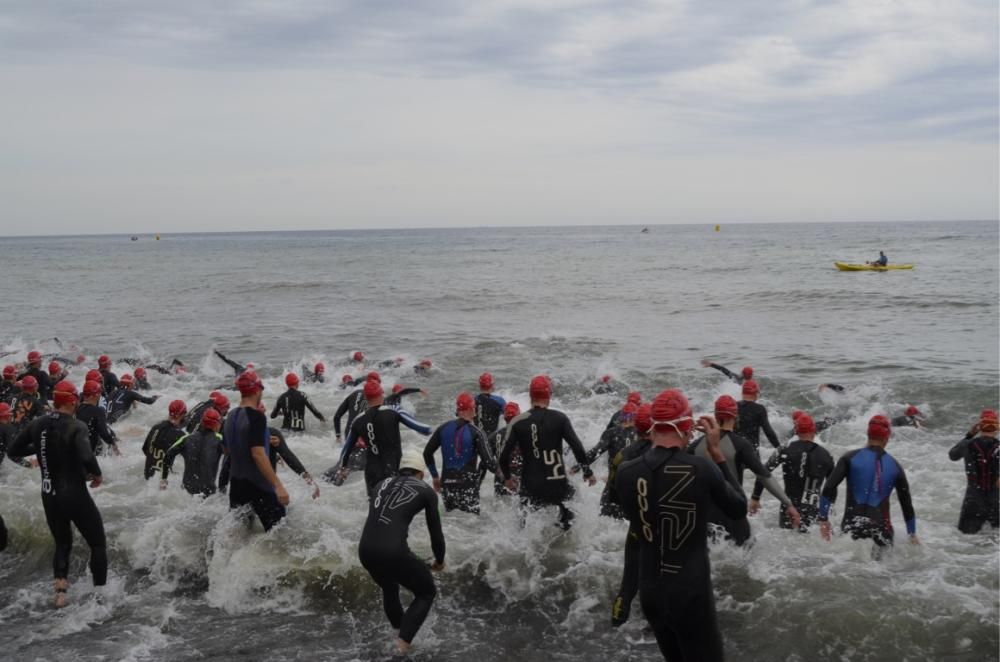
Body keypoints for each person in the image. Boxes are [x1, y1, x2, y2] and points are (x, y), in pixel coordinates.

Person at [616, 389, 747, 661]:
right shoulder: (702, 468)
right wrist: (716, 454)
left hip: (650, 592)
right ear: (688, 426)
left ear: (652, 426)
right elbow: (739, 508)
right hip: (690, 592)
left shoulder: (627, 472)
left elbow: (635, 533)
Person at [7, 381, 106, 608]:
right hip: (74, 494)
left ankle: (60, 593)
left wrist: (42, 449)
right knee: (98, 544)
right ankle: (100, 595)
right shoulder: (76, 426)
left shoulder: (38, 424)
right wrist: (97, 474)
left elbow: (13, 450)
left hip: (49, 494)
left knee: (62, 544)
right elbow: (86, 455)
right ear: (72, 401)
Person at [358, 448, 445, 657]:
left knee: (389, 586)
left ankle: (399, 634)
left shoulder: (380, 484)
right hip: (393, 551)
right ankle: (402, 646)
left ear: (401, 469)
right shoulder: (425, 490)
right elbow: (435, 532)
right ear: (420, 473)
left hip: (366, 550)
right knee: (426, 592)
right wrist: (439, 560)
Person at [689, 395, 799, 545]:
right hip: (732, 511)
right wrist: (788, 503)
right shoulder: (741, 444)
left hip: (703, 515)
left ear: (715, 415)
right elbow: (764, 475)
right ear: (735, 416)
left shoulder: (696, 445)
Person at [498, 376, 596, 530]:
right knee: (569, 524)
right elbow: (577, 447)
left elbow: (503, 456)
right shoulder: (560, 418)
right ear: (549, 396)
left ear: (530, 396)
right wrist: (587, 472)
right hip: (558, 483)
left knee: (523, 529)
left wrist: (508, 479)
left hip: (531, 485)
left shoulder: (517, 421)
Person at [818, 415, 919, 556]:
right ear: (887, 437)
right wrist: (912, 534)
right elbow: (906, 504)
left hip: (852, 526)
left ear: (868, 434)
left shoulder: (849, 458)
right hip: (881, 529)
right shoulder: (896, 466)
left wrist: (823, 519)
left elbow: (829, 487)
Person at [333, 380, 433, 497]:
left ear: (366, 397)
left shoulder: (358, 420)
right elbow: (424, 429)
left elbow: (345, 451)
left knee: (374, 508)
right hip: (391, 469)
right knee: (391, 509)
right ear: (381, 393)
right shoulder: (393, 410)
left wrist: (343, 467)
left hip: (370, 473)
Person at [224, 371, 289, 531]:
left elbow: (226, 449)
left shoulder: (230, 416)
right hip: (258, 486)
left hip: (236, 486)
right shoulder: (257, 417)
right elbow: (258, 454)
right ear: (257, 390)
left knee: (241, 535)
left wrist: (262, 439)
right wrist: (278, 486)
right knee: (279, 534)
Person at [751, 412, 834, 532]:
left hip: (788, 509)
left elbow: (763, 472)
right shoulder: (825, 455)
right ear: (814, 431)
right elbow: (832, 486)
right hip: (813, 510)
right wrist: (825, 516)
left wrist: (755, 497)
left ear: (796, 431)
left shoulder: (784, 450)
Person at [609, 402, 653, 627]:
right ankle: (653, 628)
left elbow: (613, 494)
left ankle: (617, 622)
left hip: (636, 524)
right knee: (658, 579)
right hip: (660, 527)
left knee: (628, 583)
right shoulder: (665, 453)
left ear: (636, 427)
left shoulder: (623, 455)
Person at [423, 392, 495, 514]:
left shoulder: (443, 428)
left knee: (452, 523)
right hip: (467, 486)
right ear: (472, 409)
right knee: (470, 526)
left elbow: (427, 453)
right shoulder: (477, 432)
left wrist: (435, 477)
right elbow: (489, 462)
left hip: (447, 485)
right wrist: (506, 476)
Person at [574, 402, 638, 519]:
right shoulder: (641, 435)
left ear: (621, 417)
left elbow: (594, 452)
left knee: (605, 521)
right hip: (634, 488)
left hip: (613, 487)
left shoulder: (612, 433)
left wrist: (578, 468)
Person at [948, 409, 999, 533]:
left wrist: (969, 435)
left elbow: (953, 455)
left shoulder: (968, 444)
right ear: (997, 427)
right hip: (996, 501)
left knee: (965, 541)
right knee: (995, 545)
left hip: (973, 500)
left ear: (979, 426)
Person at [160, 408, 225, 496]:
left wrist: (164, 479)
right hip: (208, 492)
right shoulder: (220, 439)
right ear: (217, 425)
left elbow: (168, 455)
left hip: (187, 490)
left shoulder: (187, 438)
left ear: (202, 422)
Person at [142, 400, 189, 480]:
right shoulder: (180, 435)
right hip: (163, 481)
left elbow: (145, 449)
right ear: (182, 415)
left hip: (148, 476)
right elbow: (190, 458)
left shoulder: (155, 427)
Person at [735, 380, 779, 456]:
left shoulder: (734, 406)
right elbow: (768, 432)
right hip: (751, 450)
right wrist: (779, 448)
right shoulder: (759, 409)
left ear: (742, 393)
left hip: (734, 448)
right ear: (756, 393)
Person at [75, 380, 119, 456]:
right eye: (99, 393)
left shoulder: (77, 409)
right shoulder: (97, 411)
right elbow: (104, 433)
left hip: (77, 450)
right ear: (96, 395)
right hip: (88, 454)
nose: (100, 395)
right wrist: (113, 444)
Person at [491, 402, 522, 496]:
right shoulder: (526, 434)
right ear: (519, 416)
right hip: (520, 479)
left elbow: (486, 461)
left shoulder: (494, 436)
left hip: (501, 480)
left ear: (504, 418)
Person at [0, 402, 34, 469]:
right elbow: (12, 453)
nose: (11, 416)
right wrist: (29, 465)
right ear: (7, 416)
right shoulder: (5, 428)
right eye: (10, 415)